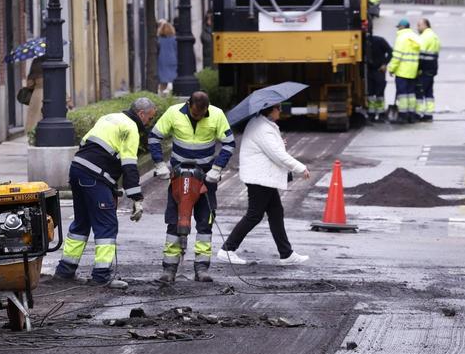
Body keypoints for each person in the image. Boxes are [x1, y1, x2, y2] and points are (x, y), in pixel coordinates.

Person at [54, 97, 158, 288]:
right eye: (149, 118)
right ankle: (101, 276)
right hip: (94, 178)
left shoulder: (109, 117)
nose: (149, 123)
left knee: (81, 222)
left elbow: (88, 144)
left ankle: (65, 271)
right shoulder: (131, 128)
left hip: (77, 170)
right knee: (106, 225)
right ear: (141, 114)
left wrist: (108, 183)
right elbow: (129, 165)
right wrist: (136, 198)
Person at [149, 91, 237, 283]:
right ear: (189, 105)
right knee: (175, 221)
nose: (199, 116)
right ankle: (170, 268)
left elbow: (229, 143)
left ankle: (202, 268)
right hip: (179, 175)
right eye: (196, 113)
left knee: (205, 222)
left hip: (206, 177)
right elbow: (154, 137)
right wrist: (159, 164)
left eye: (202, 114)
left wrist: (217, 168)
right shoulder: (173, 113)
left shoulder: (216, 114)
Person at [218, 104, 310, 264]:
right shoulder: (263, 128)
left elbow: (270, 148)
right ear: (271, 110)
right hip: (259, 178)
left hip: (262, 176)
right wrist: (301, 168)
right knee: (254, 215)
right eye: (278, 108)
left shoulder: (261, 124)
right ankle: (227, 249)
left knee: (275, 212)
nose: (280, 111)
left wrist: (279, 143)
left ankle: (286, 254)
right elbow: (278, 155)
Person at [387, 18, 422, 123]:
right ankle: (411, 115)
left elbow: (397, 56)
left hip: (402, 71)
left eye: (398, 27)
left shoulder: (401, 38)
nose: (398, 29)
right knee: (411, 93)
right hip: (413, 71)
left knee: (402, 95)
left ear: (402, 27)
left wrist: (391, 69)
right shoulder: (416, 37)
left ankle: (402, 116)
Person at [415, 18, 441, 122]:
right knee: (429, 93)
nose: (417, 28)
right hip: (432, 69)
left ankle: (419, 113)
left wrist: (417, 68)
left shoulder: (425, 37)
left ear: (425, 25)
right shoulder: (434, 36)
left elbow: (420, 54)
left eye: (419, 25)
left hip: (424, 69)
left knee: (420, 91)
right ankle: (429, 114)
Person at [365, 29, 392, 122]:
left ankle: (378, 113)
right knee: (372, 93)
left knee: (378, 93)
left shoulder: (379, 41)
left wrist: (385, 64)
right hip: (371, 70)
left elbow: (390, 52)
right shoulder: (375, 41)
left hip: (378, 70)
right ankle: (373, 113)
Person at [22, 56, 45, 134]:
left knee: (34, 117)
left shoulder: (36, 62)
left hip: (37, 95)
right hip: (50, 94)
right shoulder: (52, 61)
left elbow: (29, 85)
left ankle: (32, 134)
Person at [156, 19, 177, 95]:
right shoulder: (175, 40)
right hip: (173, 60)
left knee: (163, 81)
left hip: (162, 61)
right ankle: (172, 95)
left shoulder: (159, 40)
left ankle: (161, 95)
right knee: (174, 79)